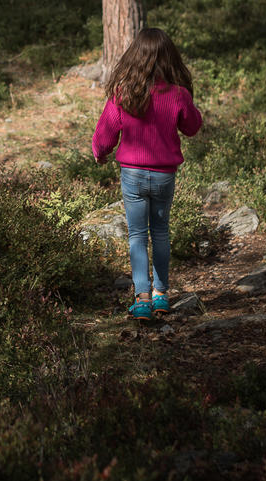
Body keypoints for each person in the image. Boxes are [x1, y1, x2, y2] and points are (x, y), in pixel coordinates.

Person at [92, 28, 202, 322]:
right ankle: (161, 294)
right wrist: (188, 102)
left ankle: (141, 299)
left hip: (132, 175)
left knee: (138, 236)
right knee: (161, 233)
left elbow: (104, 134)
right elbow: (192, 127)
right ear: (169, 59)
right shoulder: (178, 94)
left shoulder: (123, 93)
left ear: (134, 58)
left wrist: (100, 153)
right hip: (164, 176)